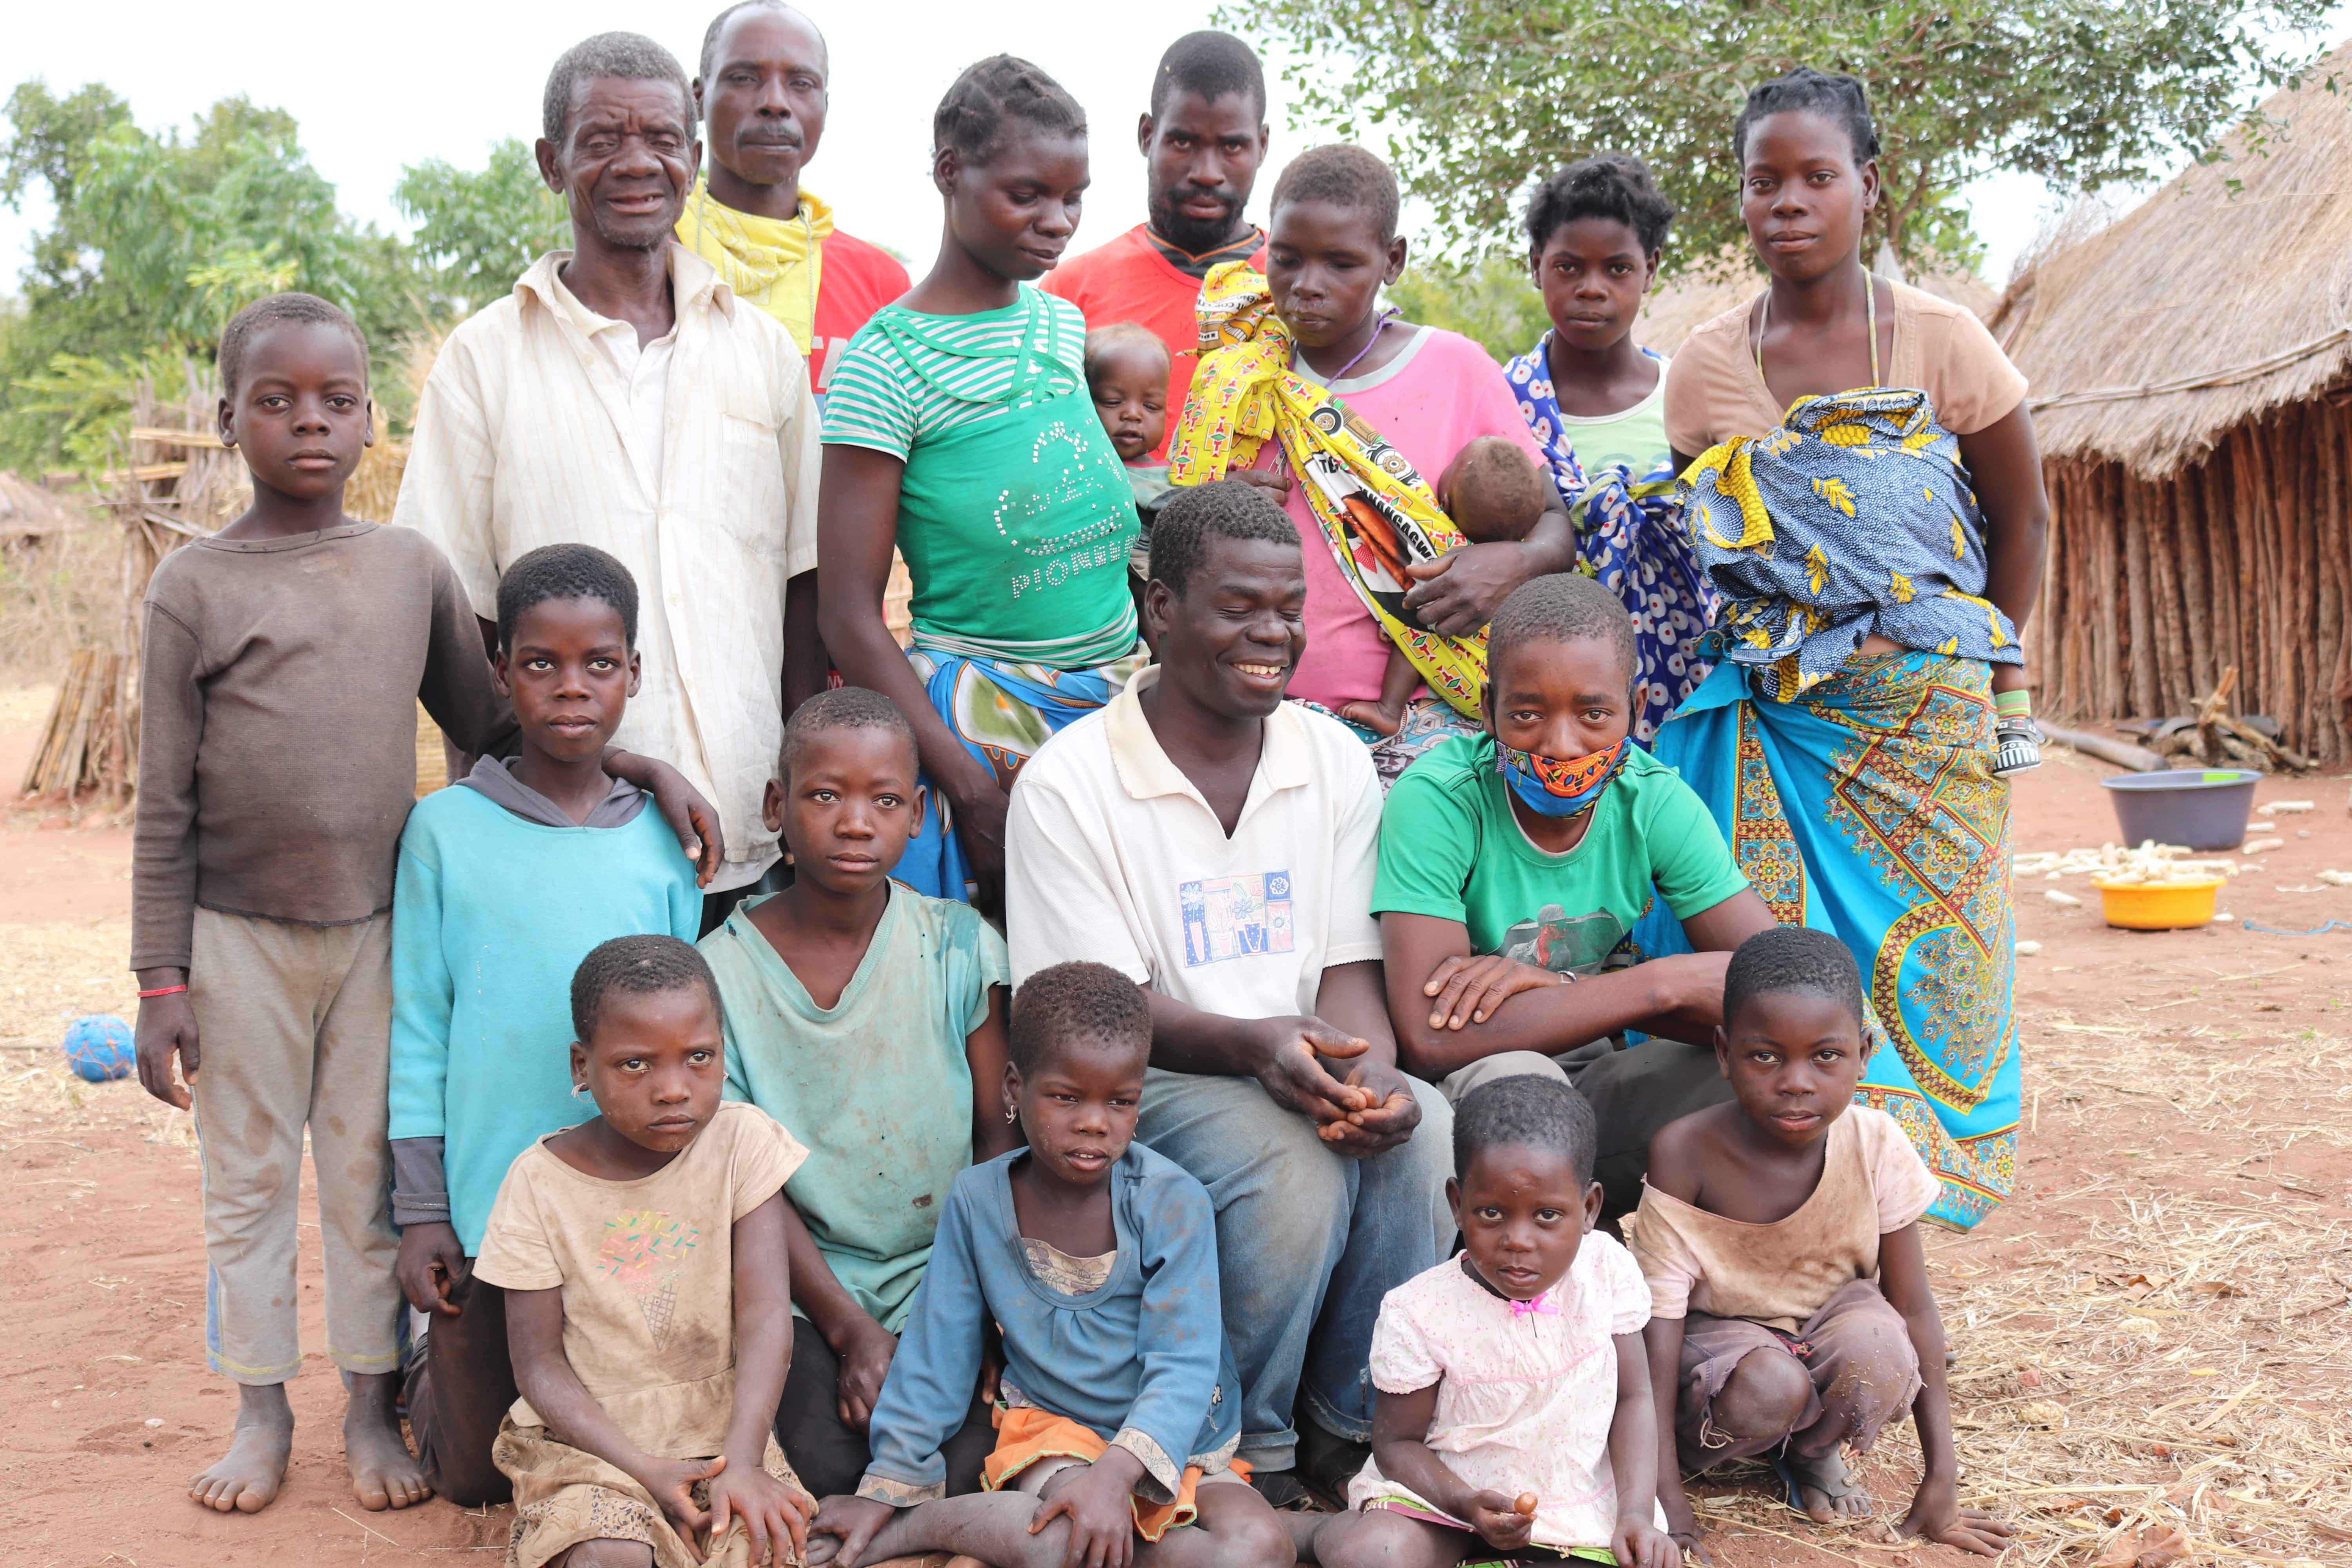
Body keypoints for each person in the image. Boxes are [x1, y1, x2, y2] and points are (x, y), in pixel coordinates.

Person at [128, 293, 712, 1519]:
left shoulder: (407, 569)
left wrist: (641, 767)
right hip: (236, 937)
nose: (308, 423)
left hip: (377, 936)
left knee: (360, 1180)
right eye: (276, 400)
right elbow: (164, 801)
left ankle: (359, 1402)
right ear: (228, 414)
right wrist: (160, 978)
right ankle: (259, 1405)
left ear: (368, 418)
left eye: (335, 401)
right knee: (242, 1178)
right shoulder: (194, 583)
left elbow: (506, 717)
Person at [1637, 67, 2046, 1230]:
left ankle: (1927, 1172)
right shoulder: (1704, 367)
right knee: (1783, 961)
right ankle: (1799, 1177)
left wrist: (1989, 676)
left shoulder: (1943, 340)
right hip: (1778, 716)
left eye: (1816, 177)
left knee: (1941, 960)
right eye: (1762, 181)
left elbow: (2020, 520)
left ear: (1866, 187)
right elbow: (1720, 552)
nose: (1788, 201)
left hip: (1925, 715)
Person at [1004, 481, 1451, 1508]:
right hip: (1142, 1079)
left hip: (1294, 1058)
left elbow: (1347, 964)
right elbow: (1090, 1016)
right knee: (1286, 1162)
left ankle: (1352, 1429)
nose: (1274, 634)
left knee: (1420, 1131)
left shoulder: (1330, 756)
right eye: (1239, 607)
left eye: (1288, 608)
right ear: (1161, 611)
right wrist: (1258, 1049)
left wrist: (1367, 1074)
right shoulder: (1073, 785)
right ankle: (1237, 1446)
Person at [397, 30, 825, 929]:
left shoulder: (762, 353)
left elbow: (804, 585)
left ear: (695, 159)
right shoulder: (484, 359)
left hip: (749, 831)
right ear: (552, 163)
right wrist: (537, 781)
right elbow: (449, 612)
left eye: (663, 139)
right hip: (560, 838)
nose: (638, 163)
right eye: (602, 141)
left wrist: (799, 781)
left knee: (731, 1075)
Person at [390, 544, 705, 1508]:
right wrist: (422, 1211)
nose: (572, 688)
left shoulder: (666, 837)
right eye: (541, 664)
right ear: (500, 673)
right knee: (476, 1480)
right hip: (491, 1216)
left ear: (635, 674)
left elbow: (694, 1038)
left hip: (634, 1217)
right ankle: (420, 1375)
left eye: (599, 665)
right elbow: (419, 1027)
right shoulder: (444, 832)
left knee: (625, 1422)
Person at [805, 962, 1296, 1568]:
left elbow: (1184, 1366)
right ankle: (918, 1527)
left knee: (1262, 1548)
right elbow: (939, 1351)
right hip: (1055, 1433)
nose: (1095, 1122)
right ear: (1015, 1087)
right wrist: (886, 1488)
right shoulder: (979, 1200)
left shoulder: (1172, 1201)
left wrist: (1119, 1474)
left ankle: (994, 1538)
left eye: (1121, 1101)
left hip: (1176, 1441)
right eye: (1066, 1098)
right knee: (1076, 1536)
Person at [817, 56, 1142, 909]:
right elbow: (847, 612)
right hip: (983, 733)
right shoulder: (885, 367)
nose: (1059, 221)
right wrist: (964, 782)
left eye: (1074, 197)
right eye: (1029, 194)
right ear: (950, 172)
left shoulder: (1061, 326)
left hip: (1114, 710)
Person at [1169, 144, 1574, 788]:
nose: (1307, 284)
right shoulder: (1238, 384)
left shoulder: (1456, 369)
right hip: (1261, 725)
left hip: (1422, 723)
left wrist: (1512, 564)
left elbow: (1553, 520)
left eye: (1341, 263)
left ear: (1393, 261)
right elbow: (1175, 543)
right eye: (1288, 258)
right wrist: (1214, 509)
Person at [1372, 574, 1775, 1221]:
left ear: (1636, 708)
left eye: (1593, 715)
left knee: (1766, 1080)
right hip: (1471, 1099)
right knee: (1522, 1094)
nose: (1561, 746)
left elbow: (1785, 996)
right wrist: (1660, 986)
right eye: (1527, 715)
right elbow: (1430, 1037)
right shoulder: (1443, 799)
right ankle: (1546, 1305)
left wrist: (1551, 989)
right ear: (1487, 709)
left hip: (1595, 1079)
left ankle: (1720, 1285)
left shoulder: (1652, 801)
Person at [697, 687, 1017, 1497]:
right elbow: (749, 1182)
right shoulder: (721, 975)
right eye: (824, 794)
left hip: (946, 1267)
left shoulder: (957, 946)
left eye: (882, 800)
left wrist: (974, 1304)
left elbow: (996, 1140)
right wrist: (851, 1330)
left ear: (917, 815)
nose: (853, 822)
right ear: (778, 804)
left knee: (961, 1459)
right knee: (835, 1465)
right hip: (802, 1285)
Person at [1632, 926, 2014, 1560]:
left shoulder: (1875, 1144)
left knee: (1885, 1348)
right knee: (1769, 1390)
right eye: (1766, 1057)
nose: (1797, 1082)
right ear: (1724, 1054)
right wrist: (1662, 1492)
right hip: (1727, 1352)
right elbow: (1660, 1328)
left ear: (1864, 1054)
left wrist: (1942, 1478)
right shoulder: (1684, 1153)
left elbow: (1914, 1308)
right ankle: (1738, 1449)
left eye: (1826, 1057)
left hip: (1832, 1326)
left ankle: (1811, 1452)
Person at [477, 935, 813, 1568]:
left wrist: (742, 1461)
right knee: (611, 1555)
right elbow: (539, 1366)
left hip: (723, 1435)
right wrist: (643, 1469)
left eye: (698, 1058)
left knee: (764, 1544)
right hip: (591, 1451)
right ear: (582, 1066)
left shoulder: (741, 1143)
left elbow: (769, 1315)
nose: (672, 1089)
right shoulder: (538, 1184)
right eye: (636, 1064)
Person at [1305, 1076, 1673, 1568]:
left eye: (1547, 1215)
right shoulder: (1420, 1310)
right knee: (1377, 1554)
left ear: (1589, 1209)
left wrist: (1635, 1513)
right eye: (1493, 1212)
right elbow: (1397, 1444)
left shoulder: (1605, 1272)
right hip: (1446, 1504)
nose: (1518, 1240)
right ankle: (1313, 1535)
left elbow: (1634, 1398)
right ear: (1457, 1204)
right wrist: (1465, 1504)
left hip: (1573, 1505)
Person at [1503, 156, 1714, 746]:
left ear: (1651, 270)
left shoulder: (1690, 395)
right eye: (1568, 267)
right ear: (1536, 266)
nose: (1591, 288)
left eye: (1617, 268)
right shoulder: (1504, 400)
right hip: (1546, 701)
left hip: (1692, 683)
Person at [1044, 31, 1272, 461]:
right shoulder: (1069, 291)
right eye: (1183, 141)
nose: (1207, 172)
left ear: (1262, 145)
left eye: (1232, 146)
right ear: (1148, 135)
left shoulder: (1300, 298)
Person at [678, 1, 913, 400]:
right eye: (744, 77)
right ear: (697, 99)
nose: (775, 102)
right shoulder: (649, 260)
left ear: (825, 106)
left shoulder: (883, 285)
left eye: (801, 83)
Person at [1341, 438, 1549, 740]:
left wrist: (1395, 620)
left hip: (1466, 685)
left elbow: (1417, 594)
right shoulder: (1518, 564)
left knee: (1415, 634)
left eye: (1451, 465)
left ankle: (1389, 710)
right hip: (1506, 688)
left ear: (1447, 501)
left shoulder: (1445, 550)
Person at [1084, 322, 1177, 615]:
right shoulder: (1077, 468)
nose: (1133, 414)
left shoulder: (1169, 474)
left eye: (1151, 407)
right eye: (1113, 402)